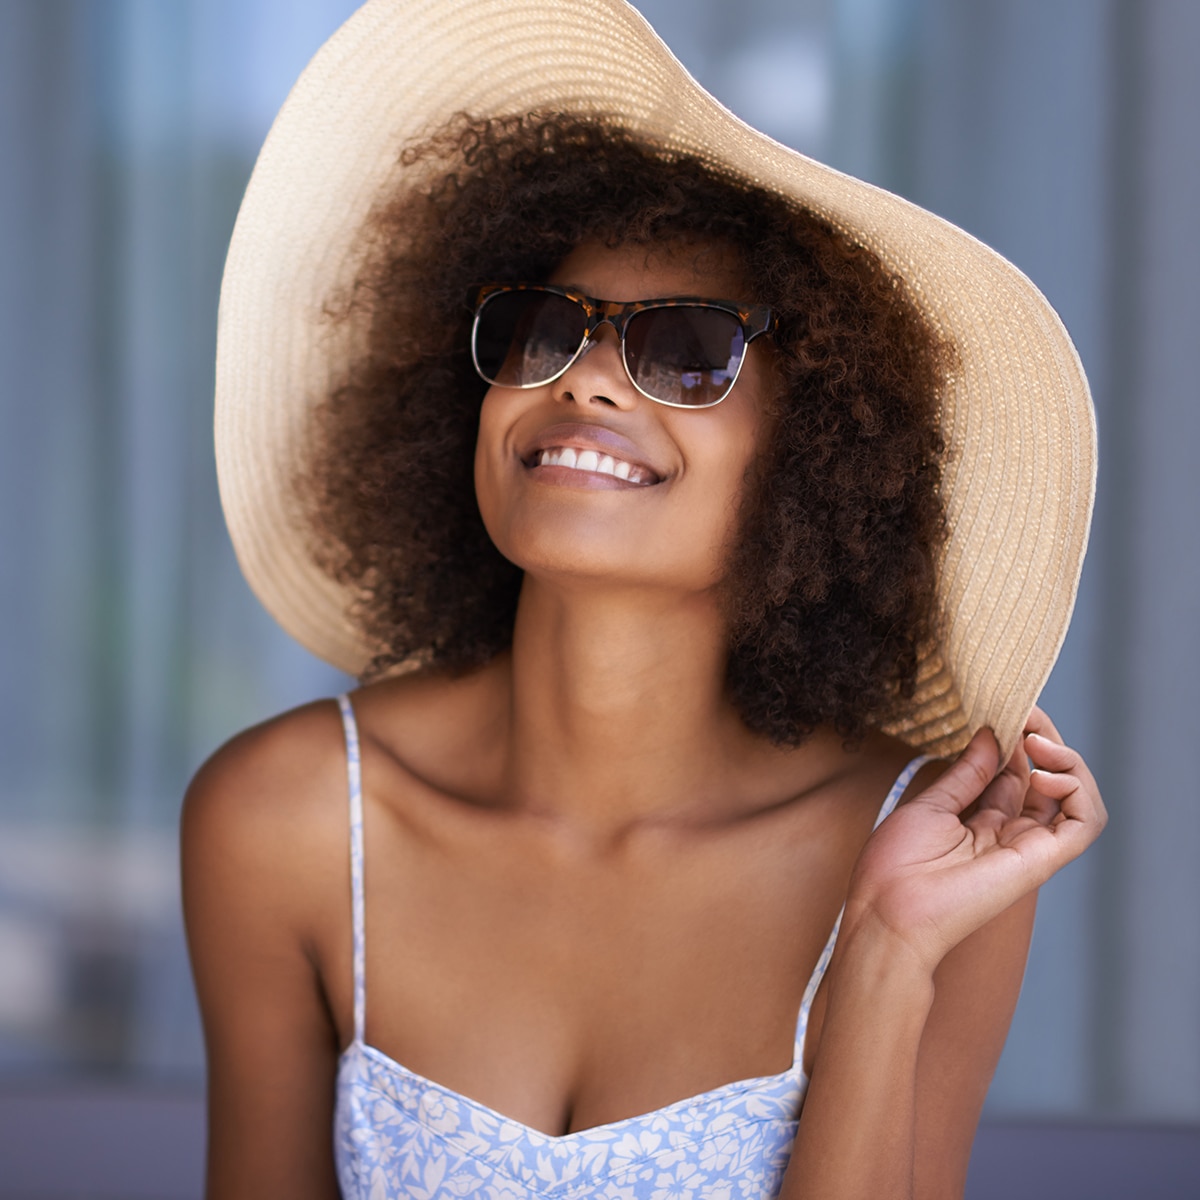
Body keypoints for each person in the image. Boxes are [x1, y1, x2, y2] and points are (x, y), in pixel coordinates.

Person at [182, 2, 1105, 1198]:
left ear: (819, 451)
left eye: (686, 351)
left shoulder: (920, 858)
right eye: (542, 331)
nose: (591, 383)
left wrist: (883, 955)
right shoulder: (288, 822)